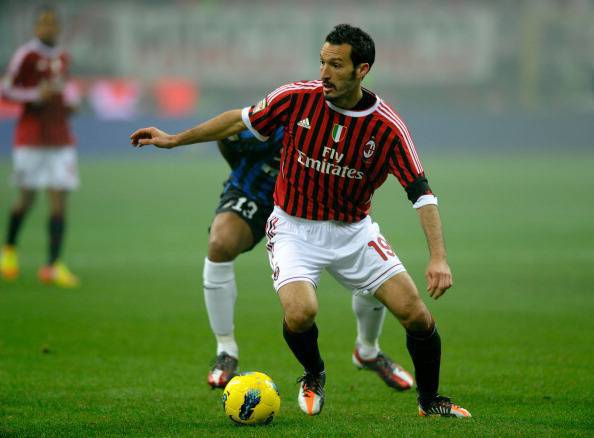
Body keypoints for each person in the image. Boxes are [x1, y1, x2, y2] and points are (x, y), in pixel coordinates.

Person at [131, 24, 471, 418]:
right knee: (300, 312)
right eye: (322, 62)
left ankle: (429, 401)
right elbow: (238, 121)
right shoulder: (295, 98)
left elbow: (421, 192)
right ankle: (314, 374)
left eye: (336, 65)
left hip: (354, 232)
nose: (324, 73)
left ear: (362, 70)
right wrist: (174, 139)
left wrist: (438, 258)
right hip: (293, 228)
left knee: (418, 316)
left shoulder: (387, 126)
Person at [205, 127, 413, 393]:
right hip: (258, 191)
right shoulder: (281, 118)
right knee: (220, 244)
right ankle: (226, 350)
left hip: (314, 205)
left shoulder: (348, 127)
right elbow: (227, 133)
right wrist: (238, 166)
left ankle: (368, 350)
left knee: (373, 273)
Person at [0, 6, 80, 288]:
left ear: (58, 27)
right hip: (31, 137)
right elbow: (6, 89)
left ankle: (53, 265)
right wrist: (35, 94)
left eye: (52, 23)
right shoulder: (26, 55)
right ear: (36, 28)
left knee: (59, 200)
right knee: (26, 198)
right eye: (44, 23)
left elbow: (67, 89)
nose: (48, 28)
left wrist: (71, 103)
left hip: (60, 138)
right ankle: (9, 251)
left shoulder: (63, 57)